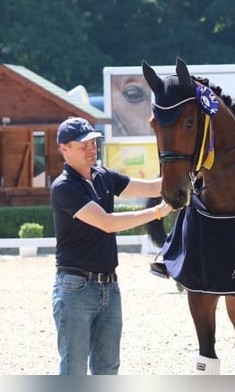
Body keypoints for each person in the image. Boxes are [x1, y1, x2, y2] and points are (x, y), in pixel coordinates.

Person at [50, 116, 172, 375]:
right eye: (83, 144)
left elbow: (151, 187)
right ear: (64, 149)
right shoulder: (64, 187)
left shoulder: (103, 176)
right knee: (74, 371)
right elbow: (107, 223)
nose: (91, 148)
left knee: (108, 369)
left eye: (93, 142)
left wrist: (189, 172)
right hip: (75, 289)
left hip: (110, 287)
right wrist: (158, 213)